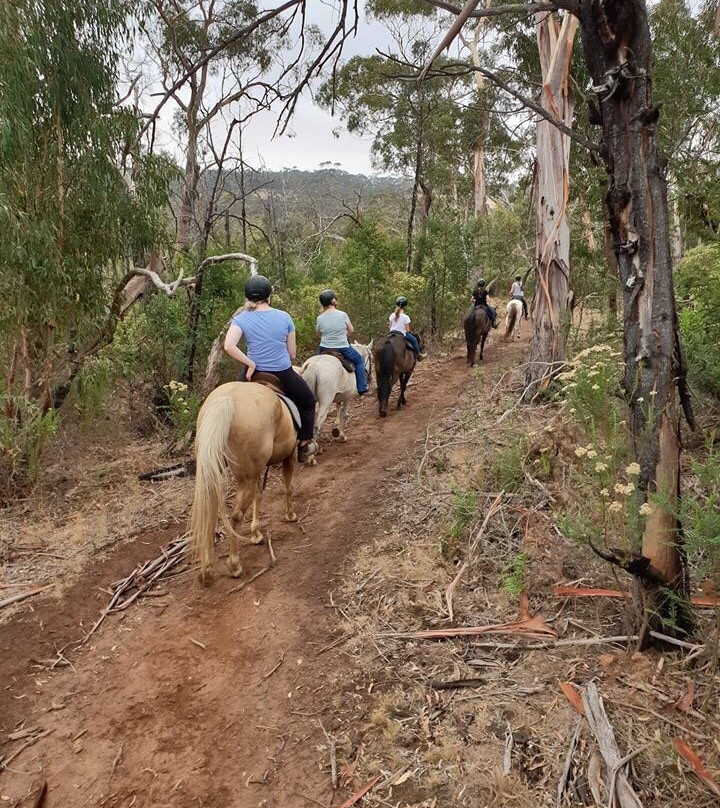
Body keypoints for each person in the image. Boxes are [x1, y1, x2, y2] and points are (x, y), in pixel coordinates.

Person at [224, 275, 316, 463]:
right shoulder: (284, 316)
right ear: (269, 295)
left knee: (230, 405)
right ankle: (304, 444)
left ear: (247, 296)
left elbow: (228, 346)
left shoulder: (240, 319)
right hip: (282, 373)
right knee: (308, 402)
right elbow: (292, 354)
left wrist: (250, 363)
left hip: (253, 374)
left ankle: (226, 449)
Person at [315, 290, 369, 395]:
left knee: (313, 364)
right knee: (359, 361)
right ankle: (362, 387)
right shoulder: (342, 315)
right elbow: (351, 330)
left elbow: (319, 333)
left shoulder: (320, 318)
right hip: (342, 347)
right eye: (334, 298)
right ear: (332, 301)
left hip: (324, 348)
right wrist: (344, 333)